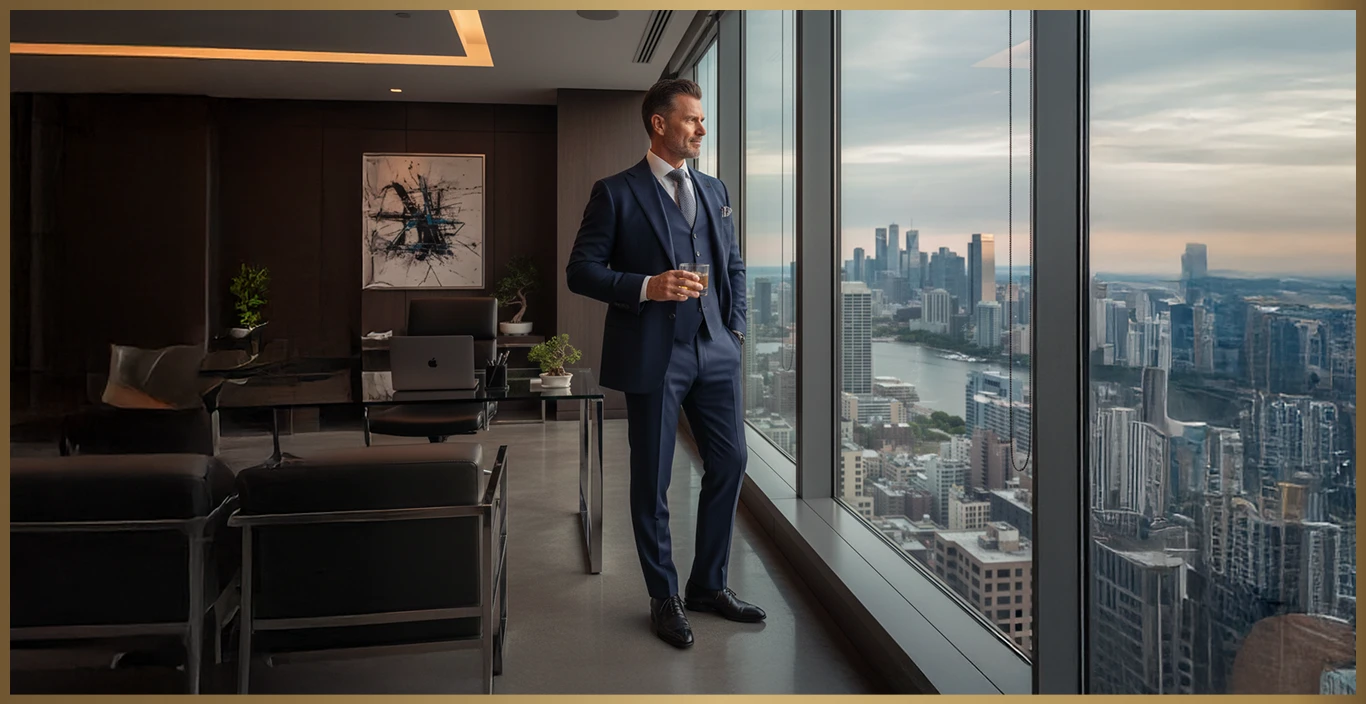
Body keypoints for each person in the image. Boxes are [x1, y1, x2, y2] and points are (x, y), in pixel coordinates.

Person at [566, 78, 765, 649]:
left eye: (702, 120)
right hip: (655, 353)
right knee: (651, 480)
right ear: (660, 124)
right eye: (692, 120)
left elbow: (735, 263)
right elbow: (581, 271)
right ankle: (664, 596)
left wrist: (735, 329)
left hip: (716, 351)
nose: (702, 128)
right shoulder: (616, 192)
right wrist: (648, 286)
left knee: (729, 463)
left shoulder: (714, 187)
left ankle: (709, 586)